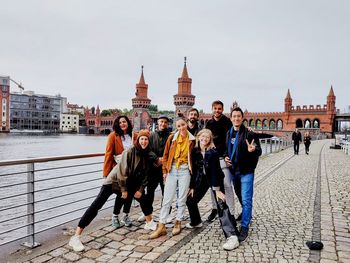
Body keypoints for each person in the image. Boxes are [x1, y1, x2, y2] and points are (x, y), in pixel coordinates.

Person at [68, 130, 157, 252]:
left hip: (128, 182)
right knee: (96, 206)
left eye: (146, 139)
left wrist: (140, 189)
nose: (144, 141)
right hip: (114, 181)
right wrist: (124, 190)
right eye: (141, 139)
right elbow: (122, 171)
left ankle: (149, 222)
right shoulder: (130, 151)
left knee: (143, 198)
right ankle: (76, 237)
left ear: (149, 141)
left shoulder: (147, 154)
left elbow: (146, 175)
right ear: (138, 140)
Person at [186, 129, 239, 250]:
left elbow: (215, 172)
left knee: (221, 205)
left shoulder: (213, 152)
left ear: (210, 140)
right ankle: (196, 221)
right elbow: (194, 171)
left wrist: (217, 190)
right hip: (202, 180)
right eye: (202, 136)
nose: (204, 139)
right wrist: (192, 186)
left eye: (207, 137)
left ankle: (232, 236)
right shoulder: (195, 151)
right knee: (190, 200)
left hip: (215, 179)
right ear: (199, 137)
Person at [150, 117, 195, 238]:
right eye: (179, 126)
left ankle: (178, 222)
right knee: (167, 198)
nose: (181, 128)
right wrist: (165, 171)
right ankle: (162, 225)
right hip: (172, 169)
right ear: (176, 127)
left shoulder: (192, 140)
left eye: (183, 125)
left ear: (187, 124)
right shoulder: (172, 138)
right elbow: (165, 155)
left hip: (185, 169)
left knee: (181, 198)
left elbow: (195, 159)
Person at [224, 107, 262, 242]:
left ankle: (244, 227)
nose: (236, 118)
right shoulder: (228, 133)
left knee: (246, 200)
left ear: (242, 118)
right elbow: (226, 150)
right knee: (240, 195)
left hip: (246, 172)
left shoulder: (249, 134)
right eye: (234, 116)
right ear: (231, 118)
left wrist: (254, 149)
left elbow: (259, 150)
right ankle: (247, 214)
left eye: (238, 116)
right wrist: (225, 157)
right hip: (234, 171)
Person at [103, 115, 137, 228]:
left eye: (124, 122)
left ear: (128, 123)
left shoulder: (133, 135)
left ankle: (126, 215)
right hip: (119, 170)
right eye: (120, 122)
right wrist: (106, 173)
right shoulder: (113, 136)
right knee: (121, 194)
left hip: (132, 170)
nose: (122, 124)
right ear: (117, 124)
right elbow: (108, 154)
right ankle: (115, 216)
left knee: (130, 193)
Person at [138, 115, 171, 222]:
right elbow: (148, 149)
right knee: (150, 192)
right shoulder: (152, 135)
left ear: (168, 124)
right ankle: (147, 212)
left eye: (165, 122)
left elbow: (172, 150)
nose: (163, 124)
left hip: (165, 169)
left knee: (166, 192)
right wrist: (156, 159)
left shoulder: (171, 137)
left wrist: (163, 160)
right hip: (153, 168)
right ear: (158, 123)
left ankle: (166, 214)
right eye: (161, 122)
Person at [205, 100, 233, 222]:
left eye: (219, 108)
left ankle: (231, 212)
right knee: (213, 186)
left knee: (227, 185)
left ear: (222, 109)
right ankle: (215, 208)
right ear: (212, 109)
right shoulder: (209, 123)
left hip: (223, 157)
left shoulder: (227, 122)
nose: (217, 110)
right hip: (212, 158)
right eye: (215, 108)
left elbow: (230, 139)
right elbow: (205, 138)